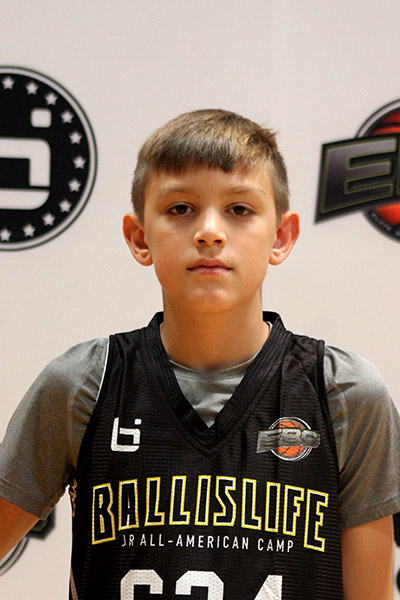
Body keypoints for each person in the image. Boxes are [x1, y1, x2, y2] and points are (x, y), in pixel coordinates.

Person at [0, 109, 399, 600]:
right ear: (139, 238)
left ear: (280, 237)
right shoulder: (85, 383)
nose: (209, 231)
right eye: (180, 208)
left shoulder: (344, 392)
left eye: (240, 209)